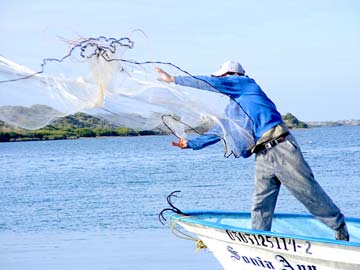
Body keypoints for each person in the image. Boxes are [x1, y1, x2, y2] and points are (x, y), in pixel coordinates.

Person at [154, 60, 350, 241]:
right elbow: (219, 131)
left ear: (230, 75)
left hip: (281, 147)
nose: (220, 82)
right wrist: (190, 144)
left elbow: (208, 83)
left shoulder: (245, 84)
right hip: (262, 154)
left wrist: (174, 80)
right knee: (260, 202)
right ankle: (259, 240)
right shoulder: (234, 108)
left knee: (306, 192)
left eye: (221, 78)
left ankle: (338, 226)